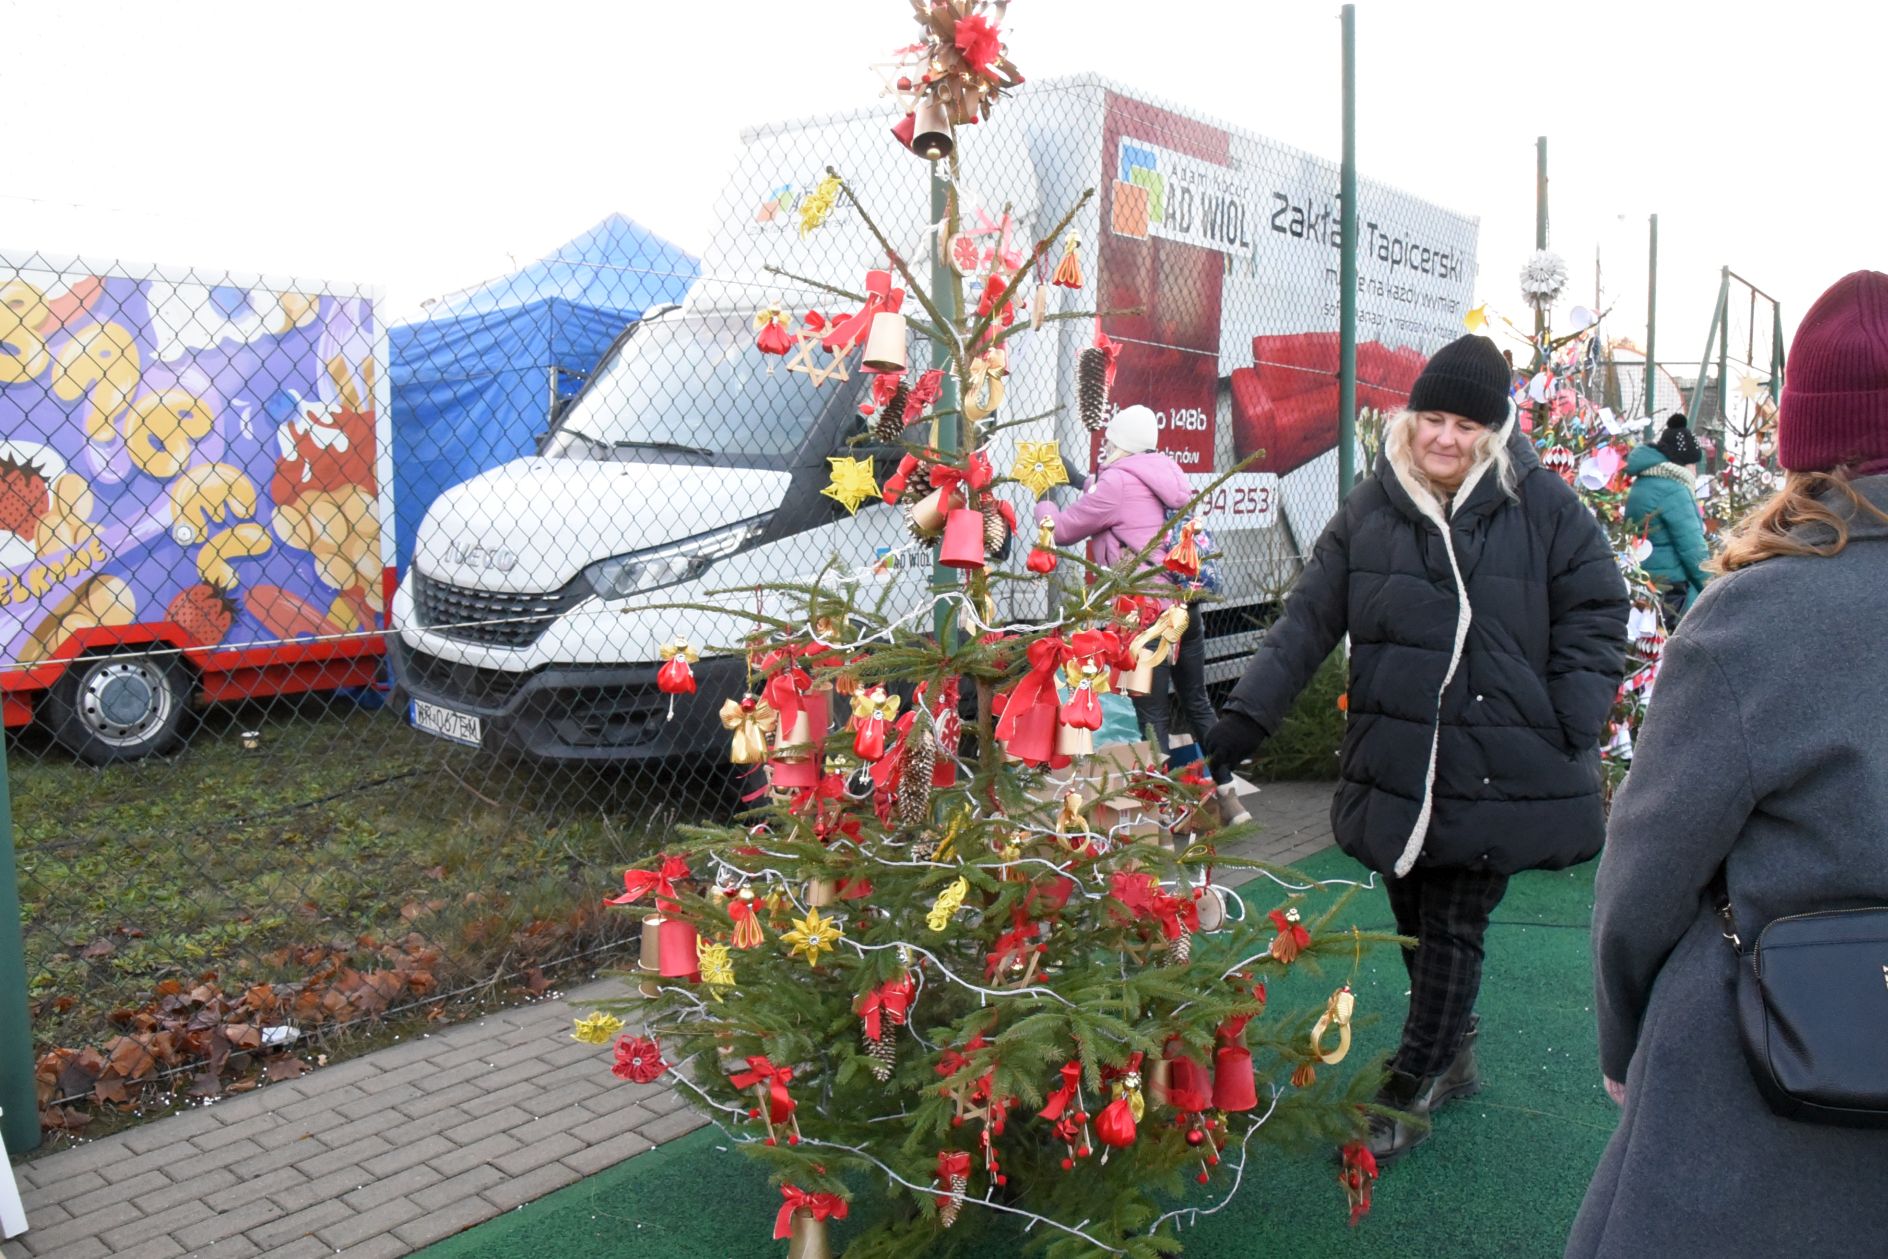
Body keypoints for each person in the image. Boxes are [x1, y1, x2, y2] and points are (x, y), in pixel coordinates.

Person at [1200, 334, 1629, 1162]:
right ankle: (1453, 1046)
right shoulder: (1373, 507)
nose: (1445, 437)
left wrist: (1571, 712)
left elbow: (1598, 604)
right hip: (1400, 754)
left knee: (1453, 917)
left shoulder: (1542, 504)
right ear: (1410, 419)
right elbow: (1307, 620)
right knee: (1409, 904)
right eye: (1433, 418)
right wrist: (1243, 722)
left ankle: (1414, 1078)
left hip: (1501, 753)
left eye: (1467, 425)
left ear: (1494, 431)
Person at [1567, 270, 1888, 1258]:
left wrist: (1624, 1037)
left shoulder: (1761, 615)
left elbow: (1648, 864)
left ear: (1806, 440)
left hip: (1769, 1058)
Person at [1034, 406, 1228, 789]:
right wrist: (1079, 479)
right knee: (1197, 703)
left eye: (1108, 441)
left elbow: (1061, 531)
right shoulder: (1169, 474)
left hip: (1146, 618)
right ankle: (1229, 795)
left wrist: (1043, 496)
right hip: (1184, 609)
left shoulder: (1117, 484)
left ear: (1120, 443)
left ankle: (1162, 811)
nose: (1104, 447)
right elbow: (1125, 499)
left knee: (1152, 717)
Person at [1623, 414, 1710, 625]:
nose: (1694, 471)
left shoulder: (1643, 482)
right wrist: (1713, 586)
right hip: (1673, 590)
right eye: (1693, 464)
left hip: (1645, 583)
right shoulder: (1673, 489)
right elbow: (1693, 548)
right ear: (1681, 463)